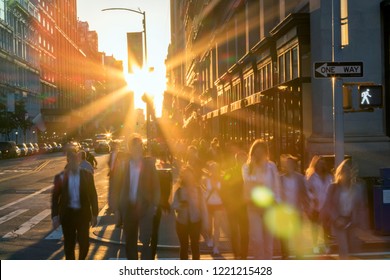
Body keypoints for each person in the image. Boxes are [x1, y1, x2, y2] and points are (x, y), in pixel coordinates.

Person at [113, 134, 160, 260]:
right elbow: (117, 187)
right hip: (129, 208)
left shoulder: (149, 165)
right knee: (130, 242)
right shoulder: (124, 166)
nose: (137, 150)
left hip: (145, 207)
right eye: (134, 148)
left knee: (145, 240)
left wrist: (154, 205)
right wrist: (117, 209)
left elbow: (156, 185)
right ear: (130, 149)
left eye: (139, 147)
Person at [51, 151, 98, 260]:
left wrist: (95, 214)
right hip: (67, 215)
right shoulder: (61, 177)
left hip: (83, 214)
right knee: (69, 245)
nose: (73, 162)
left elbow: (93, 195)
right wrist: (55, 216)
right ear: (68, 161)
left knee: (84, 244)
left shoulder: (87, 175)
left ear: (78, 161)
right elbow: (55, 198)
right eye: (70, 160)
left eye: (75, 160)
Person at [320, 159, 368, 259]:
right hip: (339, 221)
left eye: (349, 171)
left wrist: (363, 226)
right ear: (340, 173)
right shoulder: (333, 187)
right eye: (344, 171)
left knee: (353, 248)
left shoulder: (357, 188)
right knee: (344, 248)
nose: (347, 173)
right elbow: (329, 205)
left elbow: (361, 207)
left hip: (351, 221)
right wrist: (337, 219)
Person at [242, 139, 281, 260]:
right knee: (257, 240)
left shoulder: (271, 166)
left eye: (262, 152)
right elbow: (249, 183)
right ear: (252, 153)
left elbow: (276, 185)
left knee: (268, 243)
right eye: (256, 152)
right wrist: (255, 167)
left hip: (269, 206)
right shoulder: (246, 167)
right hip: (253, 207)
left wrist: (277, 203)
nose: (259, 154)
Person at [172, 166, 208, 260]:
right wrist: (180, 206)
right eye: (186, 176)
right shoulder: (179, 191)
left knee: (195, 245)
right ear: (183, 178)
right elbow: (173, 205)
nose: (188, 178)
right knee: (184, 246)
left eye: (190, 176)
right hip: (181, 223)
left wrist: (205, 223)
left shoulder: (198, 190)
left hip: (195, 221)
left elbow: (203, 208)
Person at [220, 151, 249, 260]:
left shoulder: (248, 173)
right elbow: (223, 187)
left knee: (243, 231)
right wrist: (226, 202)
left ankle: (242, 254)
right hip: (234, 206)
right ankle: (238, 253)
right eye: (240, 159)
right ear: (236, 160)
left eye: (243, 159)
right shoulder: (231, 172)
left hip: (243, 206)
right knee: (235, 231)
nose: (241, 161)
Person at [280, 155, 308, 259]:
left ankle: (299, 254)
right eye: (287, 164)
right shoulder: (280, 179)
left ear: (295, 165)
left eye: (291, 164)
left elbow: (305, 193)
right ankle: (285, 253)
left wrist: (307, 206)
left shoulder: (300, 178)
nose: (289, 166)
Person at [305, 155, 333, 254]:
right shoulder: (312, 177)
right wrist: (313, 198)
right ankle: (315, 245)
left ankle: (326, 245)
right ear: (316, 165)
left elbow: (332, 190)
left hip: (326, 206)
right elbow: (307, 190)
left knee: (326, 228)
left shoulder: (329, 177)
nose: (321, 166)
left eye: (323, 163)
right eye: (319, 163)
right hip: (316, 206)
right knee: (315, 228)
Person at [203, 161, 226, 255]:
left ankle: (216, 246)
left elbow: (224, 193)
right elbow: (203, 191)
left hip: (218, 204)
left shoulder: (222, 180)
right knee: (208, 225)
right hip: (208, 204)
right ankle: (209, 238)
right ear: (210, 170)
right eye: (212, 169)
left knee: (217, 226)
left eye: (216, 169)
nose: (214, 171)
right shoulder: (205, 180)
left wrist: (217, 188)